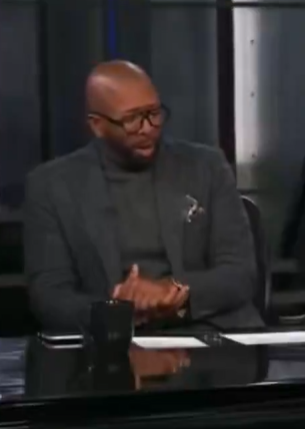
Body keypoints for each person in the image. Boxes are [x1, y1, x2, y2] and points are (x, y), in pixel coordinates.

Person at [24, 60, 262, 332]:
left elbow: (240, 273)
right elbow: (49, 296)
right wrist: (115, 311)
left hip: (209, 332)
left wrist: (173, 290)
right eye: (131, 119)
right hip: (110, 341)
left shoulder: (207, 167)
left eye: (153, 113)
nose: (147, 128)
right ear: (98, 125)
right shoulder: (52, 186)